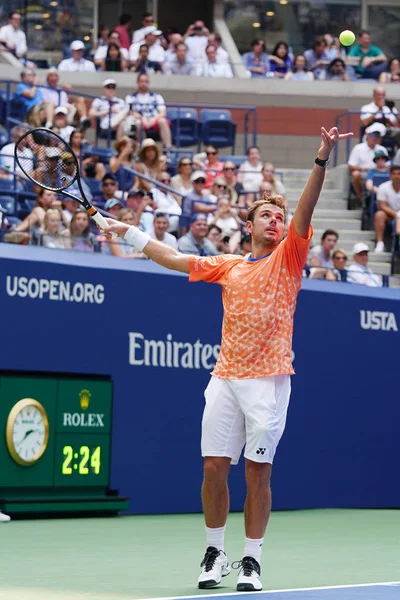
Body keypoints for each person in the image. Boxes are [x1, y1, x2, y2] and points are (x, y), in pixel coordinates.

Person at [102, 125, 352, 591]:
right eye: (267, 217)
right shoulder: (230, 265)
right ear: (249, 226)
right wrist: (131, 232)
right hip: (224, 377)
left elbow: (305, 208)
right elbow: (174, 258)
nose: (277, 222)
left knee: (259, 472)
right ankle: (214, 552)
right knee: (214, 468)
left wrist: (321, 158)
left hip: (269, 381)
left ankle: (252, 560)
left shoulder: (290, 257)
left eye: (280, 217)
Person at [126, 73, 172, 149]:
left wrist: (153, 120)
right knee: (138, 123)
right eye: (142, 81)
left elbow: (163, 112)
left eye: (146, 81)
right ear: (137, 82)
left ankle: (168, 149)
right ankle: (142, 149)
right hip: (140, 120)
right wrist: (142, 119)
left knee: (163, 121)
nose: (144, 84)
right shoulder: (131, 97)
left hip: (154, 120)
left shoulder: (157, 97)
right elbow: (130, 112)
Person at [348, 123, 387, 203]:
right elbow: (350, 166)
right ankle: (363, 201)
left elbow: (388, 166)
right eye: (373, 135)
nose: (375, 138)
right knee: (355, 174)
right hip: (365, 176)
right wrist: (365, 169)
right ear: (367, 136)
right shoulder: (358, 148)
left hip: (380, 176)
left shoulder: (382, 149)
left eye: (377, 136)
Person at [374, 165, 400, 252]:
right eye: (394, 174)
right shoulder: (383, 187)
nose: (396, 176)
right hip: (389, 214)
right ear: (390, 175)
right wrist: (396, 214)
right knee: (379, 215)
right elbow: (382, 206)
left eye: (399, 174)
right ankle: (380, 243)